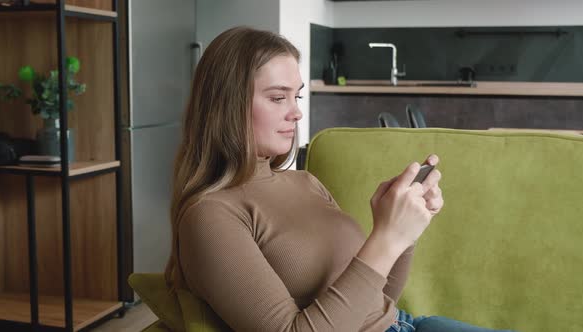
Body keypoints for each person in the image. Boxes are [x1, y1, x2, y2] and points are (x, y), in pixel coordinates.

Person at [165, 26, 514, 332]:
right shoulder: (210, 214)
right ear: (226, 105)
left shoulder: (305, 182)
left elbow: (377, 304)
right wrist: (386, 238)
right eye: (277, 97)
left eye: (297, 95)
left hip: (406, 324)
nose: (297, 111)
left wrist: (405, 230)